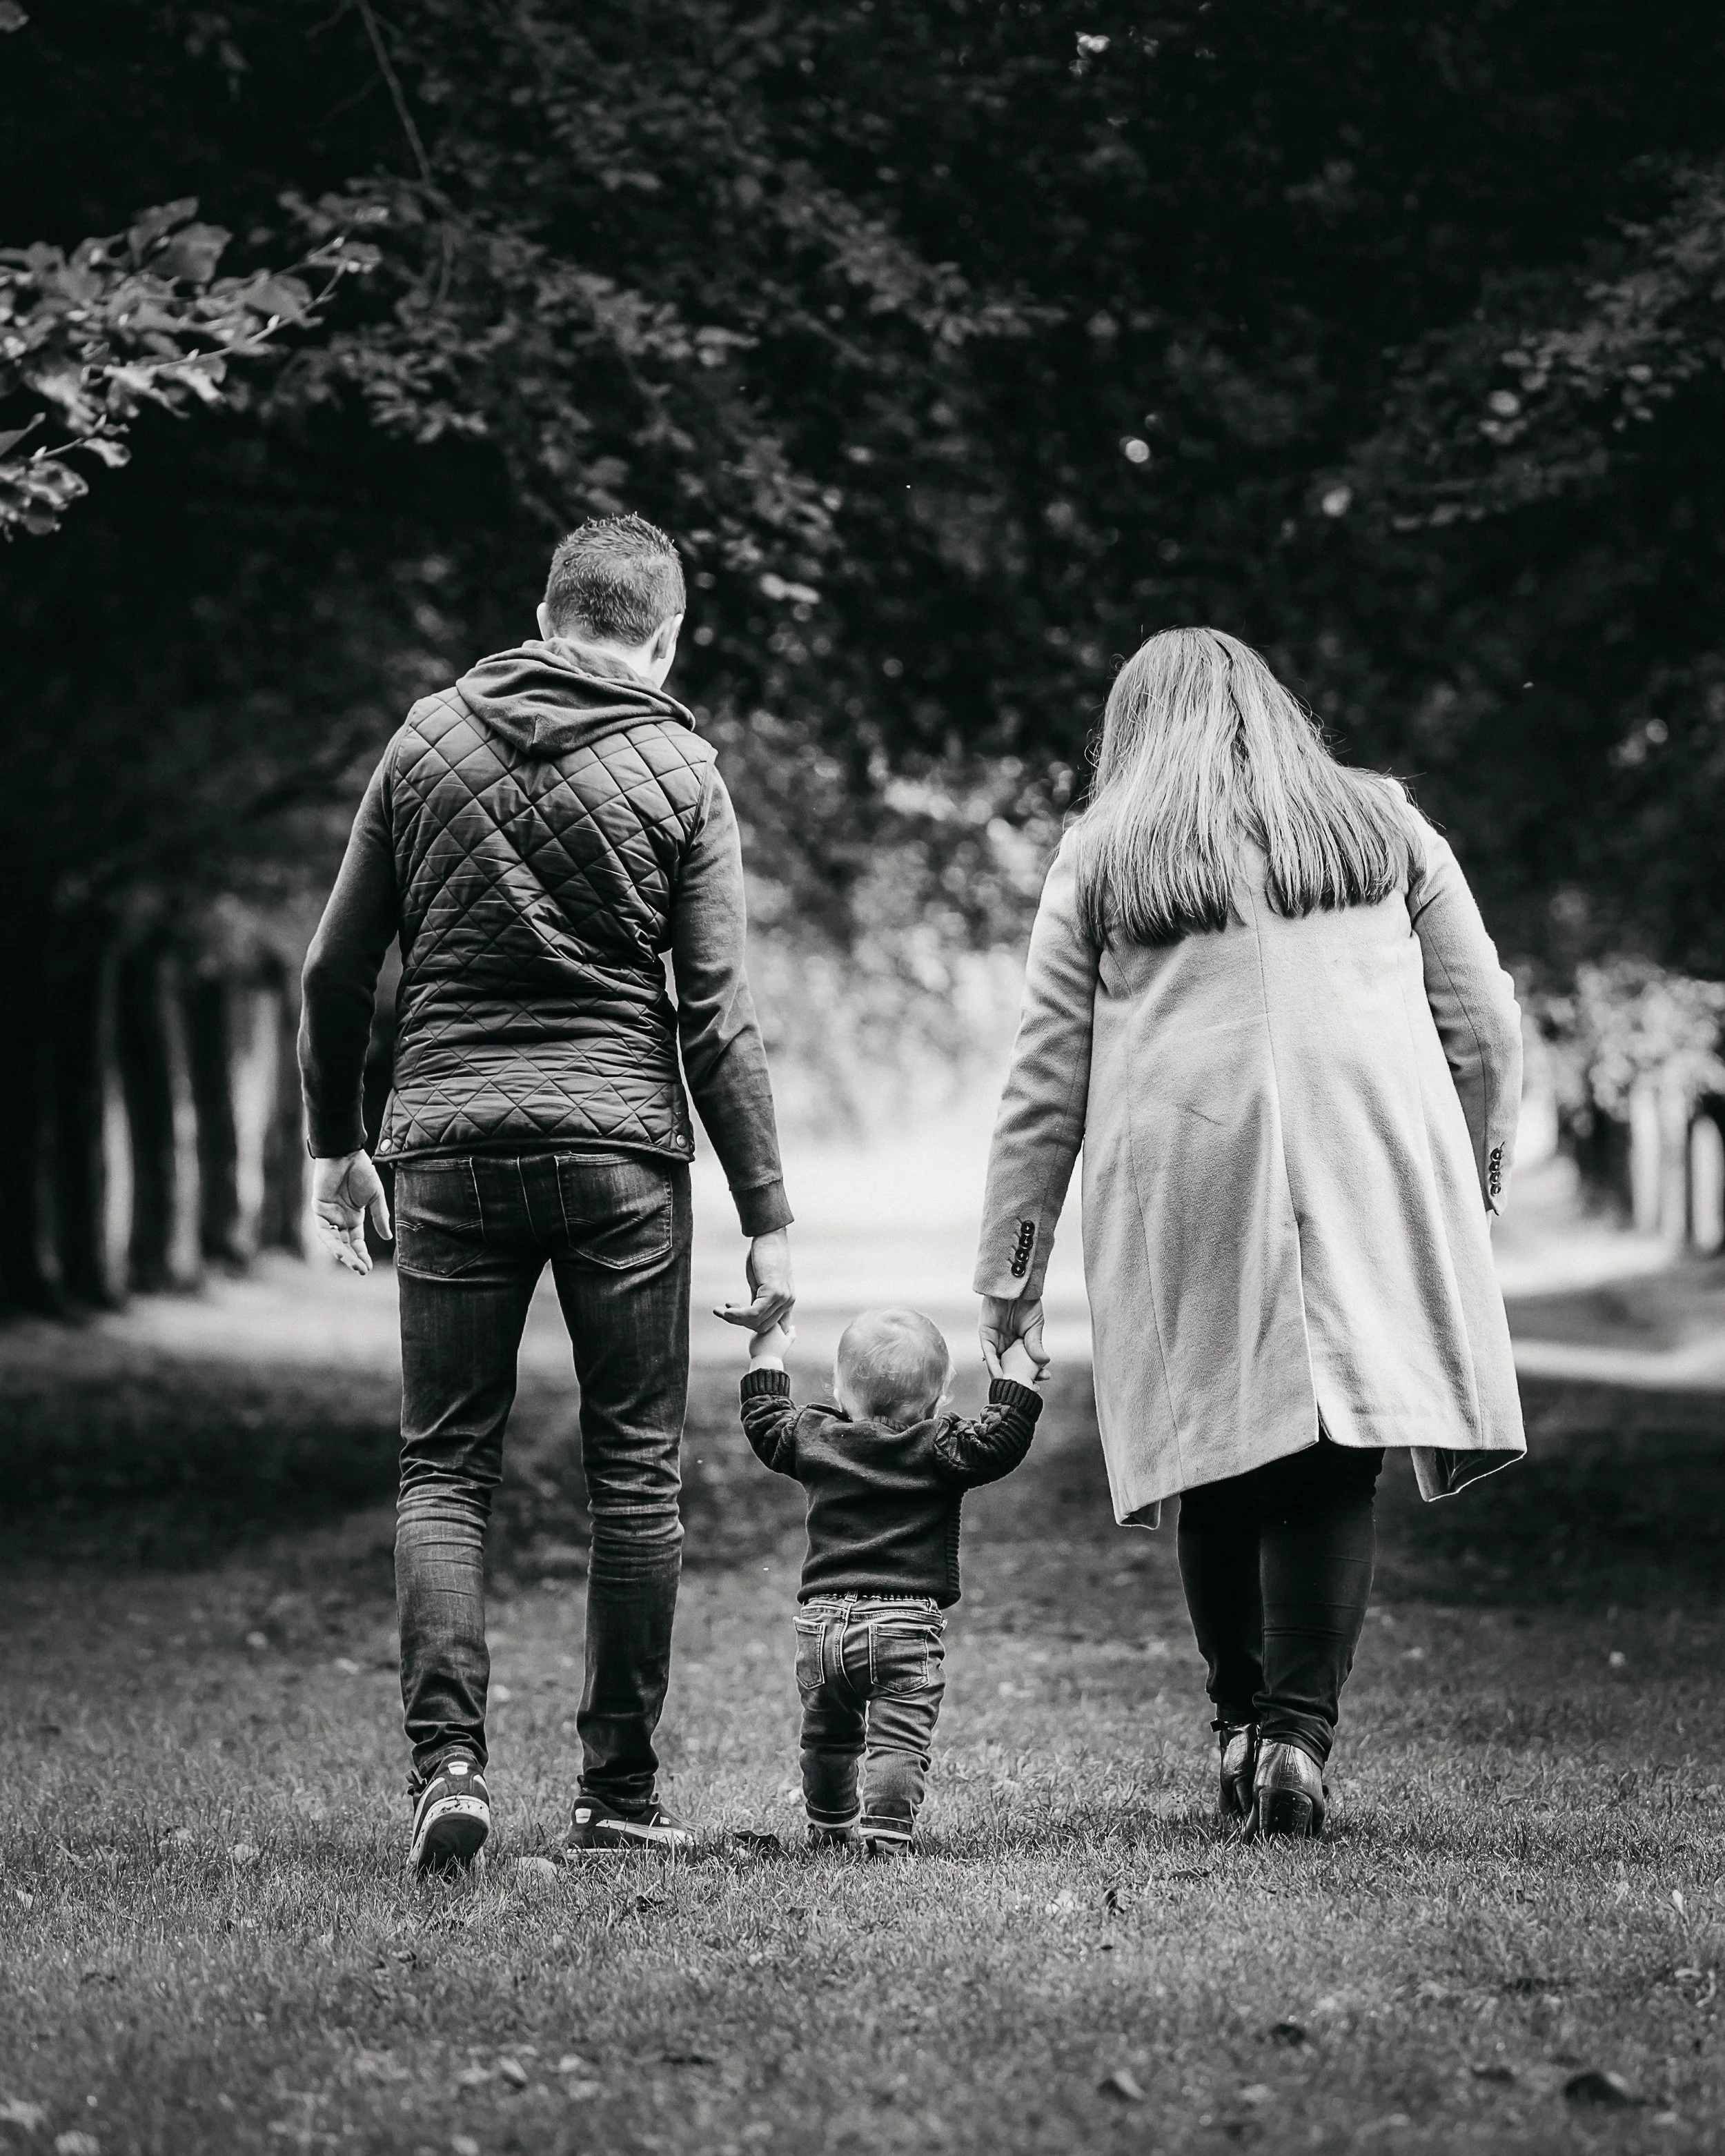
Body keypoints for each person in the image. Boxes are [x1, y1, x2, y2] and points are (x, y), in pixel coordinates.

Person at [299, 513, 794, 1872]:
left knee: (442, 1460)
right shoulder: (682, 766)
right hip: (623, 1153)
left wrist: (335, 1142)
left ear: (541, 611)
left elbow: (337, 974)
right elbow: (713, 1013)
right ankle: (618, 1792)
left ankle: (447, 1768)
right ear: (665, 637)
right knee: (633, 1466)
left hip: (447, 1140)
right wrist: (765, 1210)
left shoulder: (426, 738)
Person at [973, 626, 1525, 1839]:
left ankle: (1238, 1728)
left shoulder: (1104, 855)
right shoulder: (1379, 825)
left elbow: (1044, 1075)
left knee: (1209, 1442)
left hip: (1185, 1168)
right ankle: (1297, 1742)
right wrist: (1470, 1177)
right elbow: (1483, 1015)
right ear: (1279, 711)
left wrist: (1011, 1266)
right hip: (1364, 1164)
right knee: (1335, 1459)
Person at [738, 1308, 1043, 1853]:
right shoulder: (939, 1445)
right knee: (897, 1739)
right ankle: (885, 1832)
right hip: (904, 1625)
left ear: (838, 1388)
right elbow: (1000, 1442)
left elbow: (765, 1423)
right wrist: (1015, 1376)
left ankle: (830, 1826)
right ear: (938, 1399)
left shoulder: (814, 1435)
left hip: (822, 1627)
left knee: (827, 1737)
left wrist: (767, 1352)